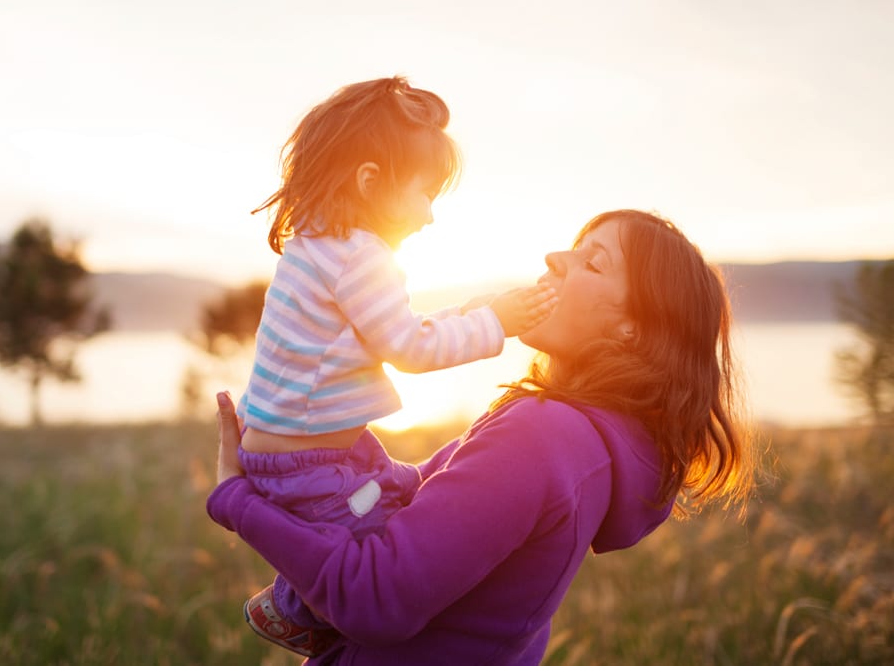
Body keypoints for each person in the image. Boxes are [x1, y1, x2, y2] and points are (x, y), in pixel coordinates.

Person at [209, 209, 761, 665]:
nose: (555, 260)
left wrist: (239, 500)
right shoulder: (579, 437)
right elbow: (416, 492)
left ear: (632, 328)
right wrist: (325, 442)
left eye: (593, 262)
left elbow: (376, 599)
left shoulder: (544, 437)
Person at [235, 75, 555, 655]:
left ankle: (297, 599)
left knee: (400, 493)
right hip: (308, 464)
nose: (431, 216)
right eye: (425, 193)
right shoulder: (363, 256)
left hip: (302, 452)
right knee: (376, 544)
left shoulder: (318, 243)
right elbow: (410, 348)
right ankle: (294, 608)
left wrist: (477, 309)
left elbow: (396, 326)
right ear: (370, 182)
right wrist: (498, 325)